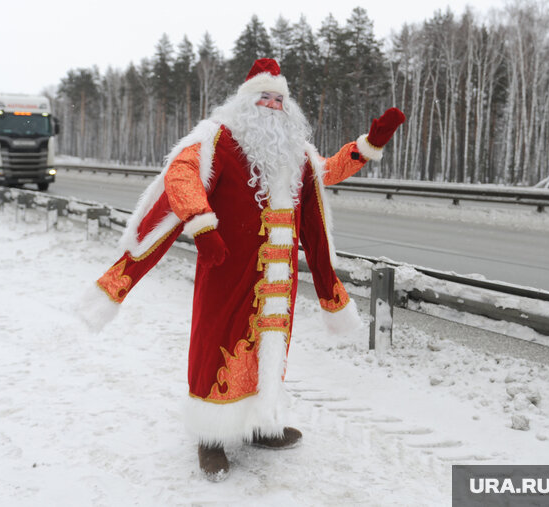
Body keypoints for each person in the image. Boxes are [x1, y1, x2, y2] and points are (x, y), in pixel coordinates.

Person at [79, 58, 405, 481]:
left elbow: (327, 171)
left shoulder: (295, 151)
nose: (272, 104)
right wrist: (201, 223)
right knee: (217, 346)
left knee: (268, 351)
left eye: (279, 99)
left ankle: (259, 424)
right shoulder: (217, 138)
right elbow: (181, 175)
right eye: (264, 97)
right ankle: (210, 437)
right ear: (246, 100)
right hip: (227, 269)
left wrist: (366, 146)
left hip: (277, 280)